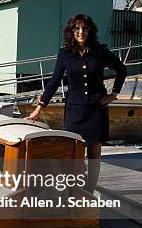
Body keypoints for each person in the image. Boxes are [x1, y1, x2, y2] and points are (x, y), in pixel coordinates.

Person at [26, 14, 127, 192]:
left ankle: (90, 191)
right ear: (71, 32)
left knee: (94, 153)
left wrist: (114, 94)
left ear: (90, 30)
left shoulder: (100, 51)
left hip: (97, 108)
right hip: (75, 111)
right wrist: (38, 109)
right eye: (77, 29)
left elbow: (122, 69)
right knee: (75, 153)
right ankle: (77, 190)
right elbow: (54, 81)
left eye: (84, 28)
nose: (81, 32)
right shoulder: (64, 53)